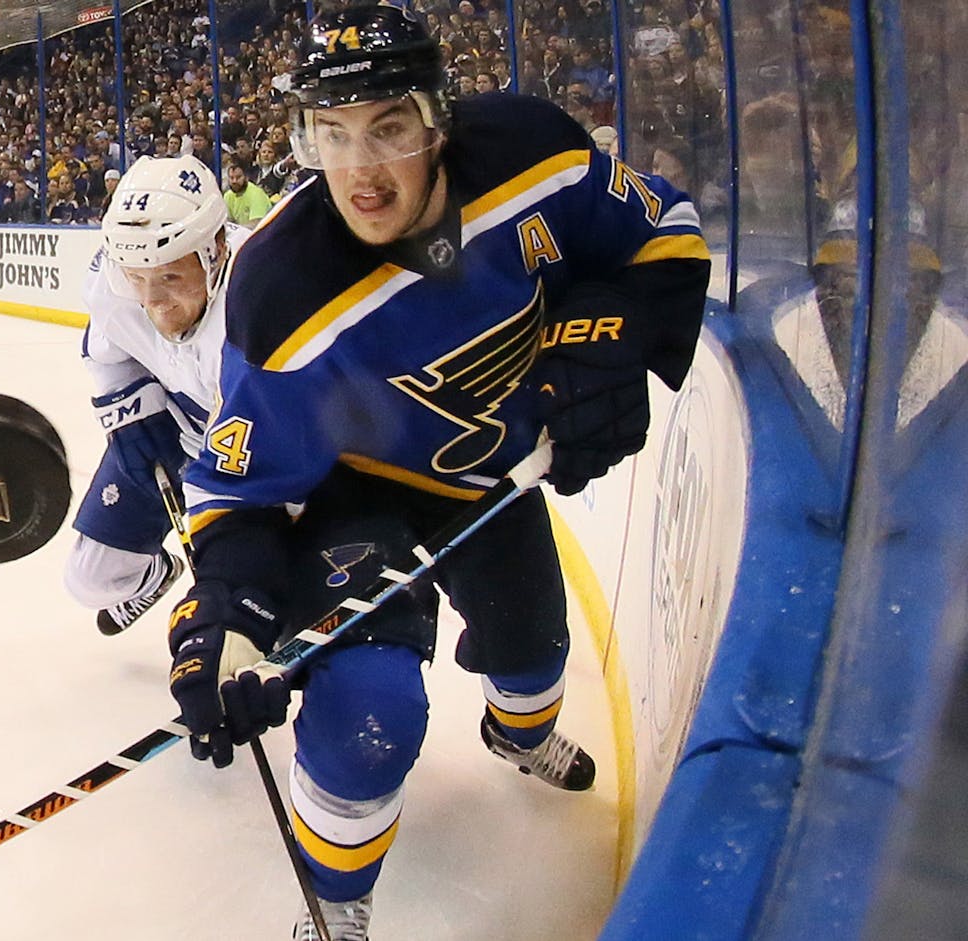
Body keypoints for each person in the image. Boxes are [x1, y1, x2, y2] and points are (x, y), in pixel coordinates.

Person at [165, 5, 711, 938]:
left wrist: (608, 341)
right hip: (356, 497)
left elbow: (662, 231)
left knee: (536, 658)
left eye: (390, 128)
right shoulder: (281, 293)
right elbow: (239, 490)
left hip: (491, 481)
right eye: (329, 135)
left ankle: (520, 731)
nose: (361, 170)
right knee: (366, 713)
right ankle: (334, 907)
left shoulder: (534, 154)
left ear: (439, 119)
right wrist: (226, 616)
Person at [63, 155, 251, 636]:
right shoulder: (113, 283)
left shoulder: (258, 301)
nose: (152, 301)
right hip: (172, 426)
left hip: (252, 455)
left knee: (264, 602)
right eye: (138, 278)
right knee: (89, 580)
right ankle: (158, 575)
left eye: (169, 277)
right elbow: (106, 352)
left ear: (215, 251)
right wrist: (129, 415)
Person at [222, 161, 273, 227]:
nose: (234, 181)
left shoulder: (257, 194)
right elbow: (227, 221)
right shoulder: (227, 196)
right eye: (231, 178)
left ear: (246, 177)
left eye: (238, 177)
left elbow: (256, 223)